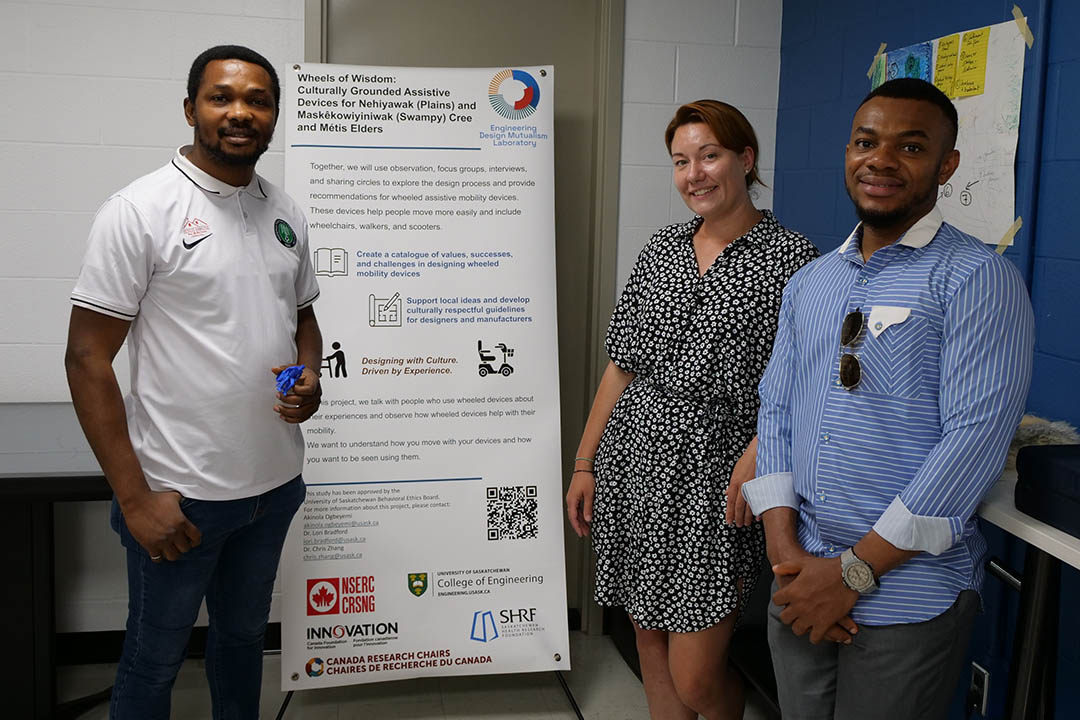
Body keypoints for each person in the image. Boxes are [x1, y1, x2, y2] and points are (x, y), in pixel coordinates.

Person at [742, 78, 1035, 720]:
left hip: (907, 596)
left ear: (946, 164)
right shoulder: (812, 281)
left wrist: (852, 573)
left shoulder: (976, 279)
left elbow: (972, 446)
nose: (881, 160)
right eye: (866, 142)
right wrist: (784, 551)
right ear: (848, 152)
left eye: (910, 146)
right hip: (799, 577)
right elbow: (778, 410)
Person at [64, 45, 322, 719]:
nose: (240, 112)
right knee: (154, 659)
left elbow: (302, 319)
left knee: (240, 645)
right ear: (191, 110)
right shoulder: (140, 210)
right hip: (181, 498)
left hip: (273, 490)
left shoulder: (284, 210)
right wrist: (136, 498)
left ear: (273, 116)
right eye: (221, 97)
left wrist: (309, 379)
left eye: (258, 100)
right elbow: (86, 359)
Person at [566, 100, 818, 719]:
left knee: (698, 675)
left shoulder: (796, 261)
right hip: (633, 464)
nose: (694, 174)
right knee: (649, 649)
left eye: (709, 156)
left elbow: (808, 387)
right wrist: (583, 463)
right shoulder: (662, 251)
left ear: (745, 159)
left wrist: (759, 453)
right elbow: (623, 364)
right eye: (681, 161)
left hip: (716, 475)